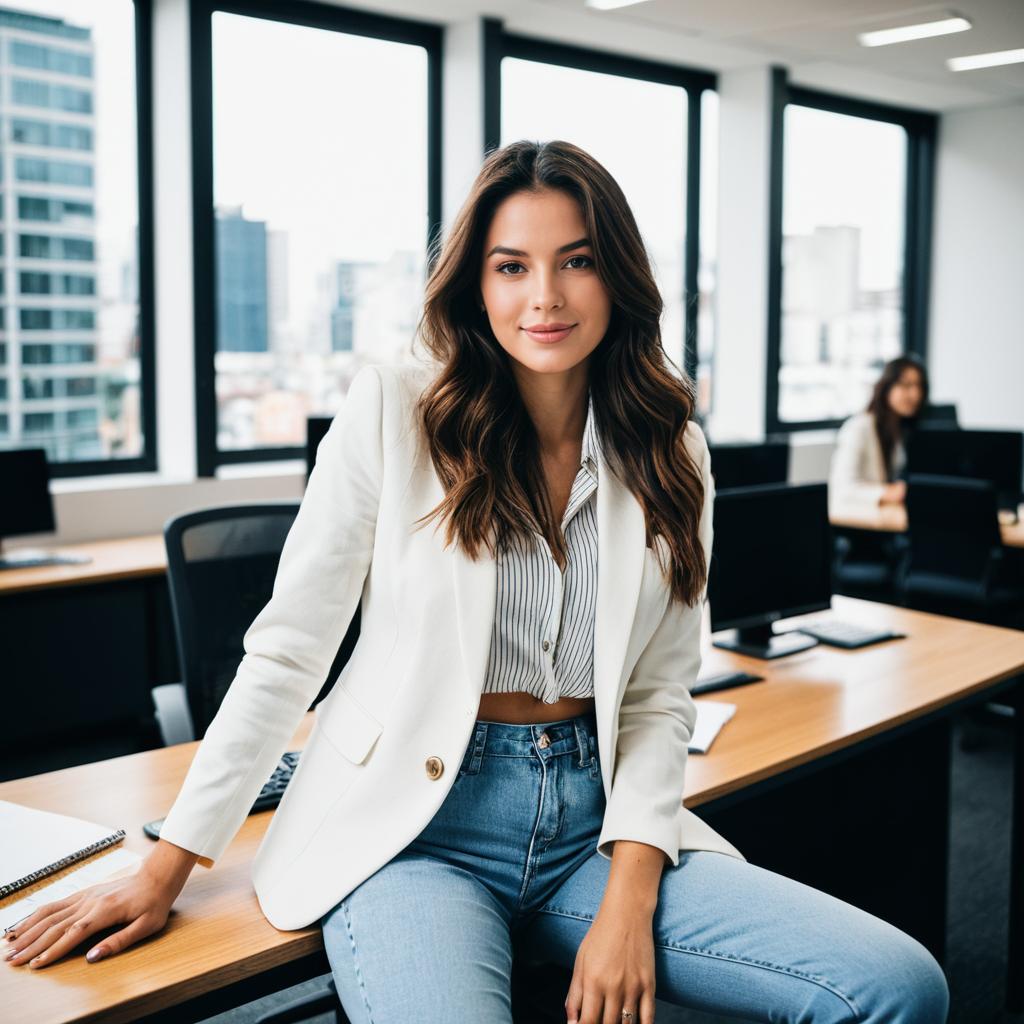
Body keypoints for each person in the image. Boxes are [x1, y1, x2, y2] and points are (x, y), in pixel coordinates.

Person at [4, 142, 948, 1024]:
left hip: (595, 820)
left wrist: (630, 895)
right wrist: (169, 864)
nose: (545, 296)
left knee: (899, 985)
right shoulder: (396, 410)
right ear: (476, 281)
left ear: (617, 276)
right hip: (412, 836)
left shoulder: (672, 451)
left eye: (575, 261)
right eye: (511, 266)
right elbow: (287, 652)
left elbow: (660, 697)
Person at [829, 355, 929, 511]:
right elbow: (843, 490)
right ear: (886, 387)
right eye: (906, 385)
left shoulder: (901, 428)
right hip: (859, 523)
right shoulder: (859, 427)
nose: (915, 394)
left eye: (919, 386)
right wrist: (891, 492)